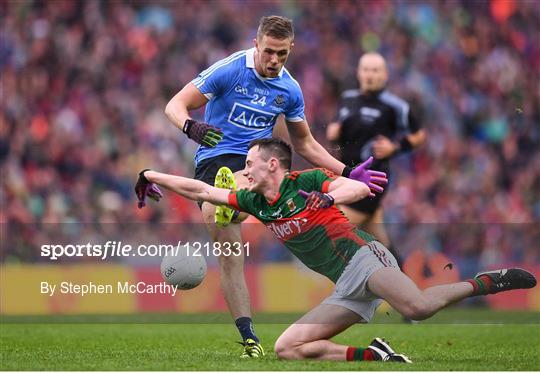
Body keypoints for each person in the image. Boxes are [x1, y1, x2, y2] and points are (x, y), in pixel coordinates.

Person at [135, 138, 536, 363]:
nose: (245, 169)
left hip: (364, 257)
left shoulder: (303, 180)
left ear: (273, 165)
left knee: (417, 307)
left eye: (250, 163)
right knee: (287, 349)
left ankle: (487, 282)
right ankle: (375, 355)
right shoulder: (255, 201)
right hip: (344, 285)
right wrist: (150, 174)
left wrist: (330, 198)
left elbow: (357, 188)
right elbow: (202, 190)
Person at [164, 16, 374, 357]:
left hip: (260, 164)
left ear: (290, 50)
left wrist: (348, 172)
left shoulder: (289, 89)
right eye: (268, 52)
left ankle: (229, 203)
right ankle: (248, 335)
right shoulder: (230, 69)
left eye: (282, 54)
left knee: (287, 212)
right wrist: (191, 127)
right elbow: (174, 104)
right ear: (255, 44)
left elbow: (305, 145)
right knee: (228, 253)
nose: (274, 61)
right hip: (216, 156)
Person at [327, 52, 427, 266]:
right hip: (349, 176)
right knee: (381, 243)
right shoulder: (348, 99)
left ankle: (352, 288)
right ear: (358, 73)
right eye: (366, 70)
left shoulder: (394, 106)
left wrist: (395, 147)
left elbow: (419, 135)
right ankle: (406, 289)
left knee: (333, 226)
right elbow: (335, 129)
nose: (370, 75)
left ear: (385, 75)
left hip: (372, 181)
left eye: (375, 70)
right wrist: (333, 132)